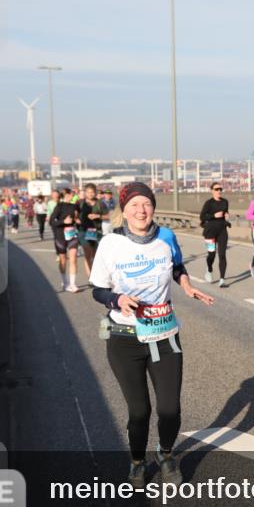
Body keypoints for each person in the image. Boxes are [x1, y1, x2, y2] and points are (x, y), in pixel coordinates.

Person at [89, 182, 214, 487]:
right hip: (124, 337)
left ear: (153, 207)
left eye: (146, 204)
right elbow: (98, 289)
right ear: (124, 210)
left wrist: (185, 285)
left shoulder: (166, 237)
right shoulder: (110, 244)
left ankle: (166, 454)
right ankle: (136, 461)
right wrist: (116, 300)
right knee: (139, 412)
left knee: (170, 409)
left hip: (164, 333)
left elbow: (177, 266)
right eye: (134, 205)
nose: (141, 210)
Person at [49, 187, 82, 292]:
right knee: (63, 260)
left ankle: (73, 284)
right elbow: (51, 221)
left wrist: (77, 220)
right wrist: (63, 221)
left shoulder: (75, 206)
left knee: (73, 258)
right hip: (60, 236)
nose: (73, 195)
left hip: (72, 235)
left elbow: (79, 218)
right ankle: (65, 282)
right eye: (71, 194)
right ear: (67, 195)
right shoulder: (59, 206)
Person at [199, 182, 230, 287]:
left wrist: (226, 215)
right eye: (216, 189)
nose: (219, 191)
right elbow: (202, 216)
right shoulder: (208, 203)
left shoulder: (225, 202)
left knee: (222, 255)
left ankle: (222, 280)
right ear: (212, 191)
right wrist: (213, 215)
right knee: (211, 254)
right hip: (210, 232)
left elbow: (226, 212)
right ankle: (209, 269)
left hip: (222, 231)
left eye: (220, 189)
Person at [79, 183, 106, 275]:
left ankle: (96, 274)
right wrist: (76, 220)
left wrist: (97, 216)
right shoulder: (80, 203)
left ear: (95, 193)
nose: (90, 194)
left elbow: (109, 216)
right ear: (85, 193)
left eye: (92, 192)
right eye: (88, 192)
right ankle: (90, 277)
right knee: (87, 253)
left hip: (96, 231)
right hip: (84, 231)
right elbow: (73, 214)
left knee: (96, 255)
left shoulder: (100, 203)